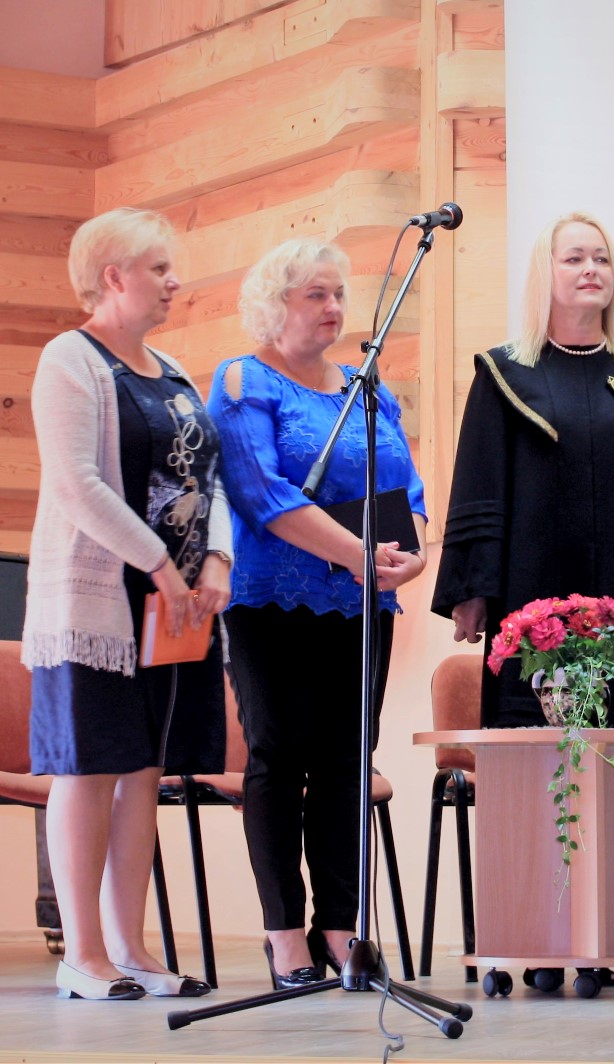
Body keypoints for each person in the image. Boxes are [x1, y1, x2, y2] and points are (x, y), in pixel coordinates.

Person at [23, 207, 231, 1000]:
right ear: (113, 277)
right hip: (101, 602)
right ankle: (82, 955)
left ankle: (131, 949)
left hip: (175, 607)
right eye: (159, 268)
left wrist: (216, 560)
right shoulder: (69, 360)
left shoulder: (171, 369)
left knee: (143, 772)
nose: (176, 281)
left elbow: (209, 480)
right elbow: (78, 484)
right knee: (90, 768)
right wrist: (160, 565)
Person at [208, 239, 427, 989]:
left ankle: (339, 928)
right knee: (278, 758)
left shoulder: (368, 390)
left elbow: (408, 485)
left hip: (363, 602)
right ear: (275, 304)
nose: (334, 307)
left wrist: (409, 554)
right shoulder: (243, 380)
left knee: (345, 761)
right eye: (316, 295)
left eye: (338, 294)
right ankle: (284, 938)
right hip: (271, 600)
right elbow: (260, 492)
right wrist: (358, 553)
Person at [433, 210, 614, 732]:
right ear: (544, 274)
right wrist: (472, 588)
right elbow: (480, 488)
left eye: (601, 259)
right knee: (536, 743)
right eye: (574, 259)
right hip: (531, 590)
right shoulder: (504, 375)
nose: (591, 268)